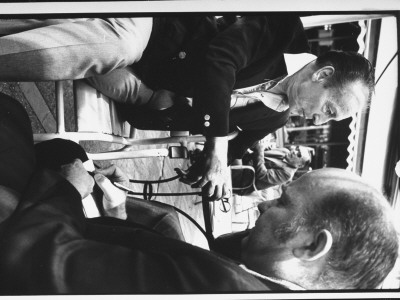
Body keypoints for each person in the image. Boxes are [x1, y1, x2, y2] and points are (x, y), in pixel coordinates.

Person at [0, 93, 398, 293]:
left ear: (312, 246)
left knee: (13, 118)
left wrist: (71, 188)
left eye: (282, 203)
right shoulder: (243, 278)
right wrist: (115, 218)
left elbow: (28, 258)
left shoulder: (218, 286)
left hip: (23, 240)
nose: (262, 205)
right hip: (73, 231)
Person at [0, 15, 374, 202]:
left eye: (329, 119)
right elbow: (220, 60)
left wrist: (216, 171)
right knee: (109, 48)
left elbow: (233, 149)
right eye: (328, 110)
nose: (317, 120)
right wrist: (217, 140)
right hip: (154, 37)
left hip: (147, 95)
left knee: (66, 42)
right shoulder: (282, 30)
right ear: (323, 74)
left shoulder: (275, 115)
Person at [232, 143, 312, 195]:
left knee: (234, 150)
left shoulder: (287, 174)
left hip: (243, 181)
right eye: (297, 149)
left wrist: (260, 151)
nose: (294, 152)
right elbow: (263, 152)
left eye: (299, 155)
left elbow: (262, 174)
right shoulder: (284, 151)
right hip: (245, 162)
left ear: (300, 165)